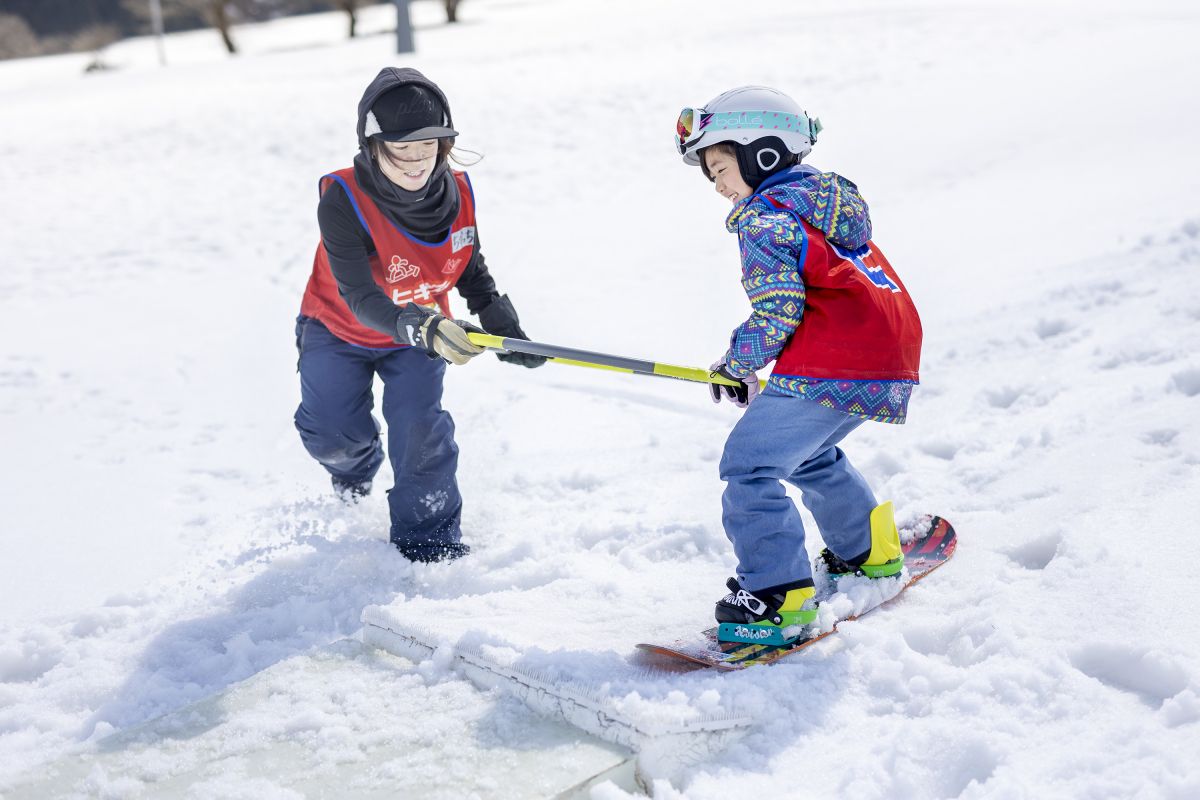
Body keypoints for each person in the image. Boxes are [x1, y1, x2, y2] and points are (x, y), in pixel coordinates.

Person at [674, 86, 923, 645]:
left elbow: (778, 309)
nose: (717, 186)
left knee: (750, 467)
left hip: (834, 359)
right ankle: (870, 551)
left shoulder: (765, 219)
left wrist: (737, 362)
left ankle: (775, 597)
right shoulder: (821, 204)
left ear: (762, 153)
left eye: (719, 166)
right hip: (886, 356)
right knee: (807, 453)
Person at [295, 67, 544, 563]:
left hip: (422, 336)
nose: (415, 163)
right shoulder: (343, 198)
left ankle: (428, 544)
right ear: (373, 146)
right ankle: (354, 466)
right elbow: (358, 296)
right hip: (338, 328)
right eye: (400, 150)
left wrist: (501, 322)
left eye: (426, 149)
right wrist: (416, 323)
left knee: (420, 428)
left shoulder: (459, 192)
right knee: (332, 433)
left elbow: (467, 261)